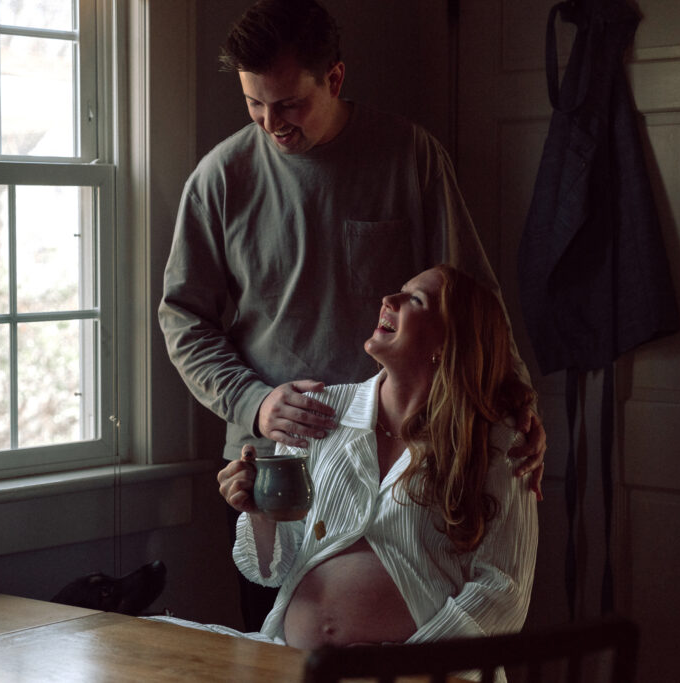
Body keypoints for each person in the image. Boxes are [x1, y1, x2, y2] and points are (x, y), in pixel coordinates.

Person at [157, 0, 545, 630]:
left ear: (334, 79)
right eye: (253, 103)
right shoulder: (219, 178)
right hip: (280, 466)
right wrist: (254, 403)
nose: (269, 122)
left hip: (415, 459)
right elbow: (183, 321)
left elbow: (474, 299)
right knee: (277, 644)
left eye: (286, 104)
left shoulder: (409, 156)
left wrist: (517, 402)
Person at [212, 264, 539, 652]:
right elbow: (271, 569)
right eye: (399, 289)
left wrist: (406, 669)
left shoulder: (498, 443)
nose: (388, 300)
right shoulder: (318, 413)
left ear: (448, 343)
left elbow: (503, 591)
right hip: (296, 666)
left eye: (414, 300)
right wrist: (260, 511)